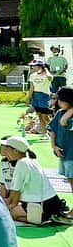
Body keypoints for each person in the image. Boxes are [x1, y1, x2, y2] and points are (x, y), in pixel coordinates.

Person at [1, 136, 66, 223]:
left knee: (12, 213)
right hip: (52, 202)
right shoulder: (31, 160)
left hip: (42, 205)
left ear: (15, 151)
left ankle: (43, 218)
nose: (5, 153)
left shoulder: (21, 163)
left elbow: (15, 197)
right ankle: (46, 217)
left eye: (7, 149)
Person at [49, 87, 73, 215]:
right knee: (70, 180)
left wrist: (68, 115)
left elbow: (64, 124)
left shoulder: (67, 115)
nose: (58, 103)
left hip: (71, 154)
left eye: (61, 100)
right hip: (64, 154)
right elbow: (53, 130)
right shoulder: (59, 113)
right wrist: (54, 146)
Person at [28, 58, 54, 130]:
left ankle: (53, 131)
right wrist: (29, 98)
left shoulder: (47, 75)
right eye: (33, 66)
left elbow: (51, 78)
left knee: (45, 116)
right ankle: (45, 133)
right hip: (35, 96)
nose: (33, 67)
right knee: (39, 116)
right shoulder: (32, 75)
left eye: (35, 66)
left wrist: (46, 69)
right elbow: (31, 88)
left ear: (40, 66)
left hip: (44, 96)